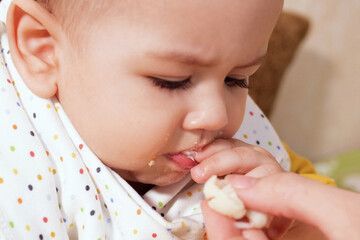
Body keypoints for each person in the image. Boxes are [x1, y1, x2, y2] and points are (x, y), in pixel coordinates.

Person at [0, 0, 333, 239]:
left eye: (238, 79)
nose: (217, 114)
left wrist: (285, 223)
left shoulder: (246, 155)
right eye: (172, 81)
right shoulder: (14, 171)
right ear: (43, 50)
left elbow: (333, 222)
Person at [203, 172, 360, 240]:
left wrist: (295, 227)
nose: (217, 116)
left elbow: (333, 223)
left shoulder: (260, 150)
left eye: (235, 100)